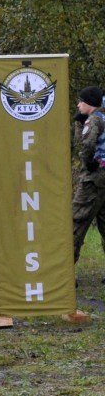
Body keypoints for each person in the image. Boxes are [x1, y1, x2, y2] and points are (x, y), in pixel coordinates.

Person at [73, 85, 105, 264]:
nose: (78, 105)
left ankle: (64, 270)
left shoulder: (93, 120)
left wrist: (88, 162)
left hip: (94, 178)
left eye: (81, 101)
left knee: (76, 220)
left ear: (89, 103)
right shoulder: (103, 117)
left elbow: (86, 144)